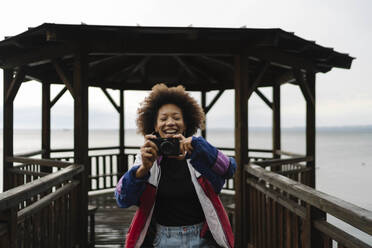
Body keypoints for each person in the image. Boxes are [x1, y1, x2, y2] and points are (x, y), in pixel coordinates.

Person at [115, 83, 236, 248]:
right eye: (163, 119)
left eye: (176, 118)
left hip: (202, 239)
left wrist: (199, 146)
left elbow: (229, 169)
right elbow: (122, 199)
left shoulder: (199, 156)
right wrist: (143, 169)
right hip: (163, 240)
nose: (170, 123)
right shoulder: (147, 159)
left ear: (186, 124)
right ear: (155, 126)